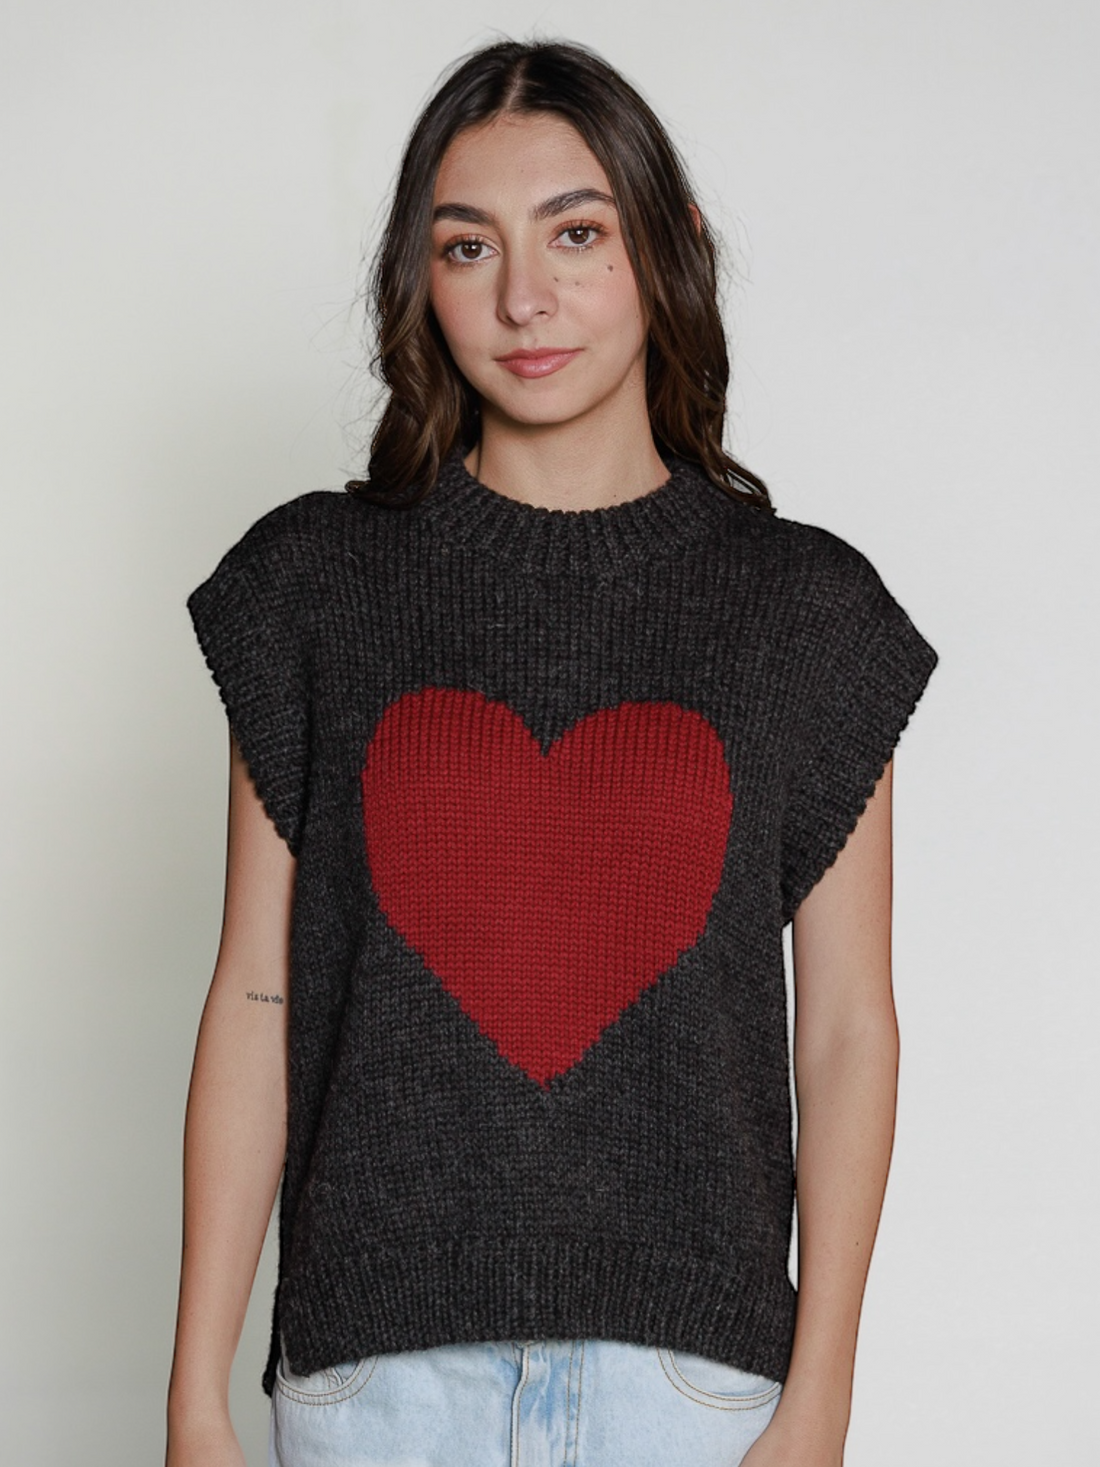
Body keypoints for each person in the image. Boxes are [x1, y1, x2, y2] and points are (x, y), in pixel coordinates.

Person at [166, 37, 939, 1467]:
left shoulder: (805, 612)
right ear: (420, 278)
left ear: (669, 245)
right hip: (368, 1385)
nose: (525, 297)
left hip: (696, 1392)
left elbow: (846, 1030)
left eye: (576, 233)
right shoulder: (313, 588)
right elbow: (256, 994)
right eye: (469, 247)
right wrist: (194, 1397)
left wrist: (820, 1393)